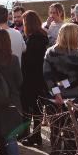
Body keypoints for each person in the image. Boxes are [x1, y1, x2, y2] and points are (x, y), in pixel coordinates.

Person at [43, 23, 78, 155]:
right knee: (70, 131)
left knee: (55, 132)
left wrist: (56, 90)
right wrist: (63, 86)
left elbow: (47, 76)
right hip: (73, 98)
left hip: (53, 98)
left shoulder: (50, 52)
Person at [20, 10, 50, 147]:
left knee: (28, 110)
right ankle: (36, 135)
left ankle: (32, 136)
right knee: (38, 110)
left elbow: (27, 61)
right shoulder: (43, 36)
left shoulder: (31, 40)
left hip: (29, 79)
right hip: (41, 78)